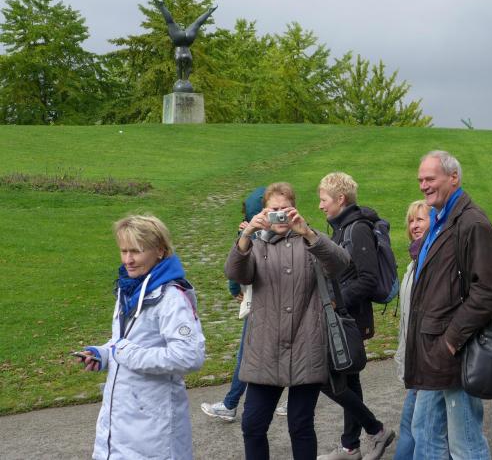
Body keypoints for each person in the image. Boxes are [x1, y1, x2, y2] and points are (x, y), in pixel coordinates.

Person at [224, 182, 351, 460]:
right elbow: (236, 274)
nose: (280, 216)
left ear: (294, 209)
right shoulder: (255, 243)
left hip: (306, 346)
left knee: (300, 426)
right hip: (265, 350)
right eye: (274, 210)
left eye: (286, 209)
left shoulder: (309, 239)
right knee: (252, 426)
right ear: (264, 212)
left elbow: (341, 264)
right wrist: (246, 235)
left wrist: (307, 233)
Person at [75, 214, 206, 460]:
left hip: (154, 428)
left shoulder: (171, 298)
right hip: (120, 421)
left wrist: (126, 353)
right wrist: (103, 354)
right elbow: (123, 342)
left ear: (160, 251)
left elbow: (190, 356)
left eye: (136, 251)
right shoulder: (129, 289)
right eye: (124, 251)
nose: (128, 260)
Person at [405, 150, 492, 460]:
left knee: (465, 443)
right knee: (424, 432)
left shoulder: (472, 223)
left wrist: (451, 341)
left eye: (430, 178)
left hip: (455, 351)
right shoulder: (439, 220)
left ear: (453, 178)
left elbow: (488, 291)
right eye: (420, 179)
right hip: (433, 350)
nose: (423, 185)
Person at [316, 172, 395, 460]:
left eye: (324, 200)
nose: (320, 206)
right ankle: (351, 446)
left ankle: (375, 429)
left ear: (340, 199)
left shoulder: (357, 229)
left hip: (350, 318)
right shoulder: (341, 228)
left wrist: (334, 303)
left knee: (325, 376)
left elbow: (368, 279)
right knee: (349, 380)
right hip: (343, 317)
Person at [203, 186, 292, 421]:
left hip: (262, 304)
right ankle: (233, 402)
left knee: (248, 353)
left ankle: (231, 404)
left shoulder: (256, 234)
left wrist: (235, 290)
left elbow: (237, 271)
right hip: (274, 303)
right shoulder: (258, 231)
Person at [394, 200, 448, 459]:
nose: (414, 225)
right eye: (411, 220)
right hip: (417, 360)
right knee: (424, 429)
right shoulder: (414, 261)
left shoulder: (431, 261)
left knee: (420, 429)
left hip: (429, 361)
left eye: (420, 219)